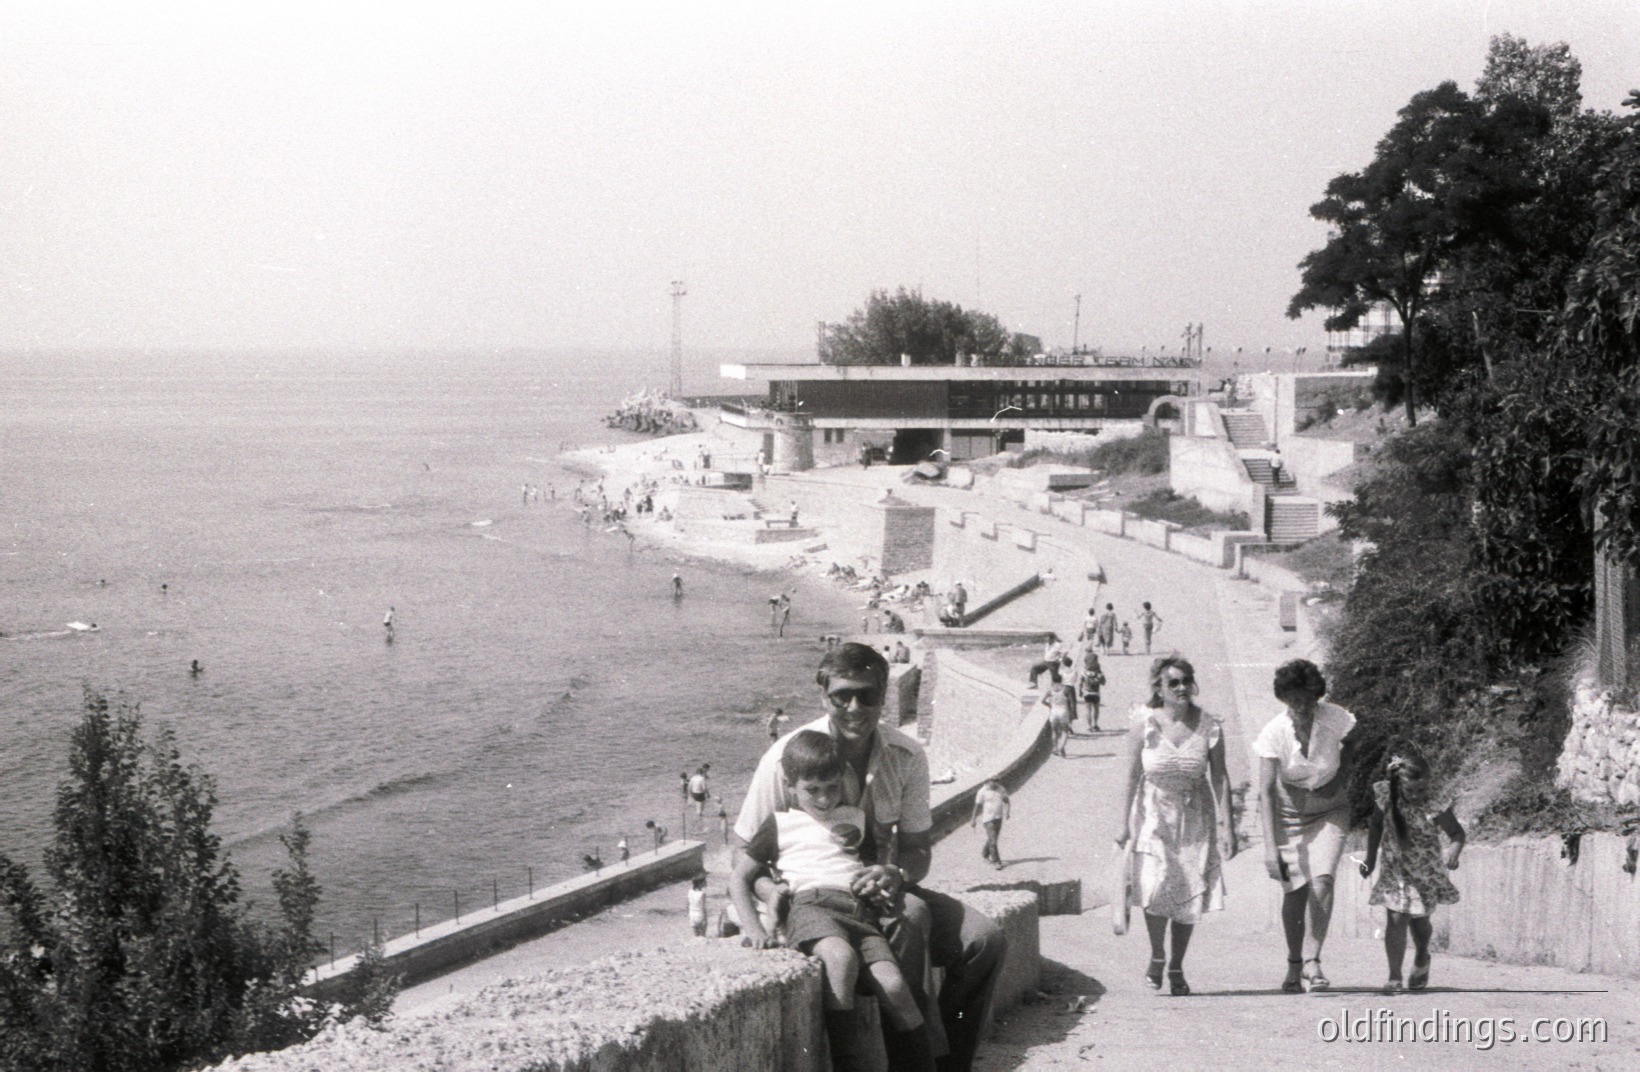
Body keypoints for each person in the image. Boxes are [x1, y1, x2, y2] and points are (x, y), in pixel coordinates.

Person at [734, 642, 1005, 1072]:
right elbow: (743, 854)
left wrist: (894, 872)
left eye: (868, 694)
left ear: (885, 695)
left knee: (983, 942)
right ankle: (913, 1063)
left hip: (878, 891)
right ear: (823, 696)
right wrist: (773, 891)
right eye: (842, 695)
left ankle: (949, 1059)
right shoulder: (787, 758)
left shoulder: (907, 756)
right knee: (911, 917)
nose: (855, 707)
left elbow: (918, 849)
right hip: (814, 900)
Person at [731, 729, 935, 1071]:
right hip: (811, 907)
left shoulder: (856, 818)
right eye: (812, 790)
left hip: (859, 911)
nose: (824, 799)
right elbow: (740, 876)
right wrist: (754, 928)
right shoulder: (780, 824)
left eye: (832, 788)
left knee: (895, 985)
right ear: (790, 784)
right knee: (840, 960)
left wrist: (879, 880)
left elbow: (865, 865)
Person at [1114, 656, 1233, 997]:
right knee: (1155, 886)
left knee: (1186, 890)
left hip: (1195, 816)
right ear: (1159, 688)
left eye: (1186, 681)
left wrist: (1229, 828)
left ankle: (1177, 964)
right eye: (1173, 683)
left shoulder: (1209, 725)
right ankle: (1156, 955)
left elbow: (1220, 778)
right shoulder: (1144, 723)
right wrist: (1122, 825)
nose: (1181, 688)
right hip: (1153, 811)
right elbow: (1132, 776)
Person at [1254, 658, 1357, 994]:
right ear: (1284, 698)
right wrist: (1270, 849)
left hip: (1331, 809)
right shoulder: (1274, 732)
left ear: (1317, 696)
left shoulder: (1337, 718)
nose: (1302, 706)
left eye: (1308, 699)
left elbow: (1356, 746)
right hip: (1288, 814)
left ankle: (1313, 961)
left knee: (1322, 881)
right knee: (1295, 891)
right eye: (1294, 699)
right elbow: (1266, 792)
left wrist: (1341, 777)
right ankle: (1295, 963)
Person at [1360, 740, 1464, 994]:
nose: (1418, 796)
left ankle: (1422, 955)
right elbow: (1375, 827)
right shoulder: (1386, 798)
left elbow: (1457, 834)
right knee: (1395, 919)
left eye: (1422, 789)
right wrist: (1370, 858)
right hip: (1395, 871)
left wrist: (1454, 850)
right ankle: (1394, 976)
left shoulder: (1435, 804)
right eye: (1412, 790)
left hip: (1425, 873)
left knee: (1420, 924)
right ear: (1398, 786)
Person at [971, 780, 1011, 870]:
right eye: (992, 781)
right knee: (993, 840)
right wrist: (973, 819)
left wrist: (1007, 811)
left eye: (996, 781)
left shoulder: (1001, 789)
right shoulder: (982, 791)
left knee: (993, 838)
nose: (994, 783)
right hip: (988, 819)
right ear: (988, 781)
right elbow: (977, 806)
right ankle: (996, 861)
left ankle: (985, 854)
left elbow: (1006, 801)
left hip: (998, 817)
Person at [1042, 682, 1075, 758]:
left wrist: (1050, 705)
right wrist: (1072, 714)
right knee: (1065, 731)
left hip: (1054, 712)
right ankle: (1062, 746)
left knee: (1054, 731)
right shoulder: (1065, 690)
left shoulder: (1050, 690)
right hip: (1063, 712)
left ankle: (1055, 748)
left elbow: (1043, 701)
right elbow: (1071, 703)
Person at [1078, 650, 1106, 731]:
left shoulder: (1084, 671)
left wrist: (1080, 691)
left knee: (1088, 709)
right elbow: (1103, 682)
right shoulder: (1098, 671)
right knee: (1096, 709)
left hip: (1087, 693)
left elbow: (1080, 682)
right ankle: (1095, 724)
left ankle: (1089, 726)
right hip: (1096, 692)